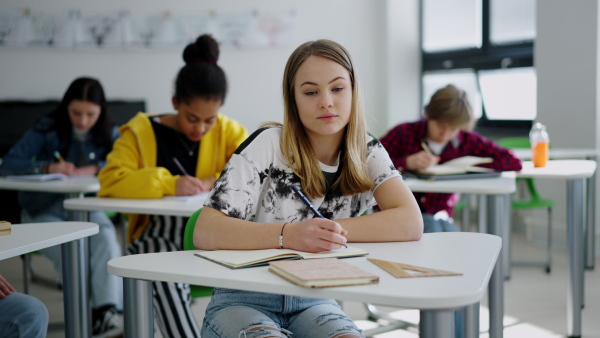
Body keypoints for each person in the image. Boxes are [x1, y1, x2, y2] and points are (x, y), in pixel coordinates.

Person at [194, 39, 423, 337]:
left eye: (338, 89)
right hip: (243, 297)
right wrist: (290, 236)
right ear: (294, 100)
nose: (326, 101)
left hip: (316, 299)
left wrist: (322, 234)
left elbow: (410, 221)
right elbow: (206, 229)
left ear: (354, 91)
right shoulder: (268, 144)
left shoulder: (367, 151)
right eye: (311, 92)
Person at [98, 34, 248, 337]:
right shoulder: (140, 131)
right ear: (176, 103)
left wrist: (213, 180)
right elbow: (111, 179)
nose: (201, 128)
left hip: (214, 234)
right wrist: (169, 183)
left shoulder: (229, 131)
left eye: (210, 120)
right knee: (158, 264)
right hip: (158, 233)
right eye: (193, 118)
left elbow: (254, 170)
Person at [0, 77, 123, 337]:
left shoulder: (110, 131)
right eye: (76, 112)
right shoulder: (48, 127)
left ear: (101, 111)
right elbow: (9, 163)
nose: (83, 121)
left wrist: (96, 167)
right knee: (73, 252)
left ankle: (105, 311)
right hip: (42, 210)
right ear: (66, 106)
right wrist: (47, 167)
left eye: (90, 114)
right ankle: (85, 315)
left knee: (106, 238)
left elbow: (124, 163)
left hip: (84, 206)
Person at [379, 84, 522, 233]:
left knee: (451, 236)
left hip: (440, 214)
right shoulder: (404, 133)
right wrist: (406, 162)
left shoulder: (467, 140)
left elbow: (513, 161)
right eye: (440, 126)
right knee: (436, 231)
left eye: (453, 129)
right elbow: (365, 165)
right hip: (396, 213)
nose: (445, 134)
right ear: (428, 114)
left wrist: (472, 167)